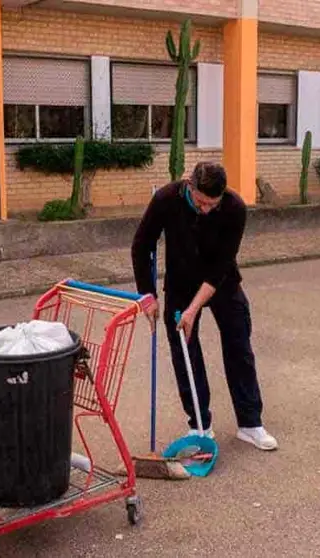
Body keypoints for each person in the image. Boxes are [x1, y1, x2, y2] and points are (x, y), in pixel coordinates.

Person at [131, 161, 277, 451]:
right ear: (190, 186)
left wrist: (194, 308)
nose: (207, 209)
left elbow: (222, 265)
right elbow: (141, 245)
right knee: (186, 353)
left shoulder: (234, 207)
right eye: (201, 202)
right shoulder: (165, 199)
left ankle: (250, 424)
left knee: (239, 348)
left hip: (221, 283)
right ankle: (200, 426)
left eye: (213, 203)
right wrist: (147, 296)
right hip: (180, 285)